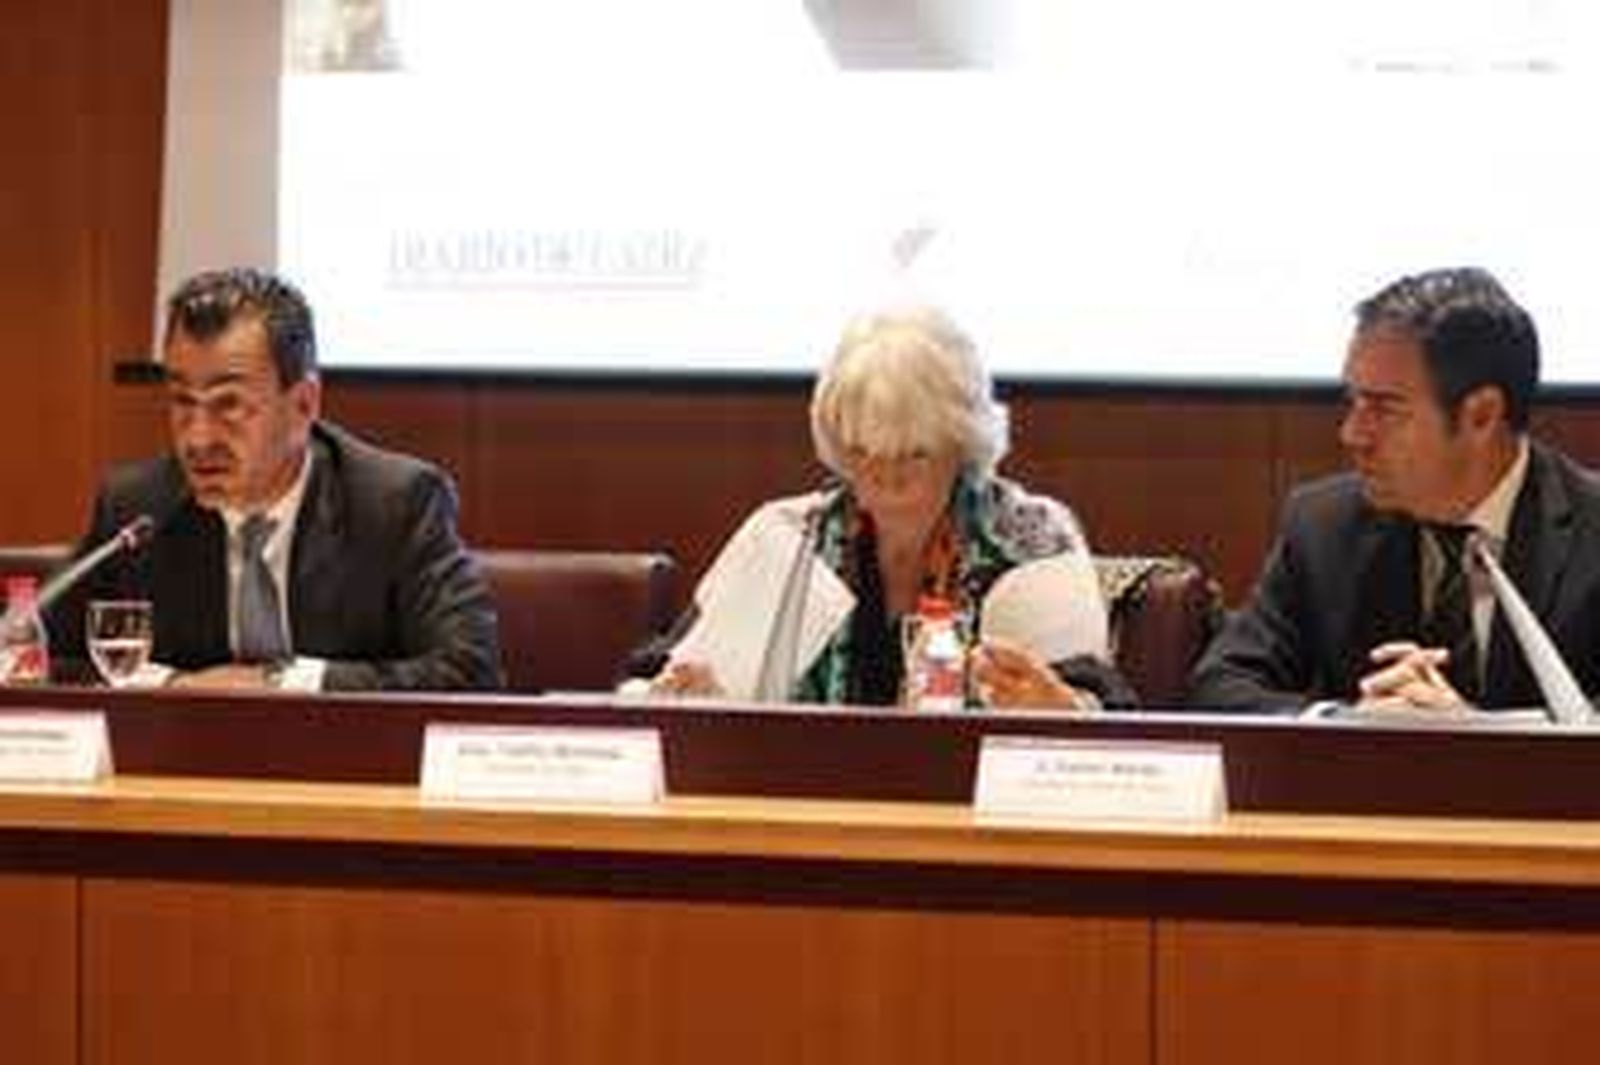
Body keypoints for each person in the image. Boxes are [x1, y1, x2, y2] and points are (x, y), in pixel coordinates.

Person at [642, 307, 1131, 709]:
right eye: (862, 450)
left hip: (972, 815)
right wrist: (673, 696)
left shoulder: (1031, 539)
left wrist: (1063, 710)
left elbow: (1097, 712)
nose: (885, 477)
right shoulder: (788, 535)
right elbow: (652, 678)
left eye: (912, 452)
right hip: (799, 810)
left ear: (958, 442)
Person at [47, 267, 501, 691]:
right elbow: (41, 656)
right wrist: (171, 686)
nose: (198, 438)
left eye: (229, 405)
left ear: (304, 404)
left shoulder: (393, 503)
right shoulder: (138, 508)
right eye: (183, 402)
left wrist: (279, 682)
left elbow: (471, 669)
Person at [1191, 266, 1600, 713]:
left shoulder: (1590, 529)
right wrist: (1342, 722)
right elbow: (1221, 683)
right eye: (1354, 402)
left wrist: (1480, 736)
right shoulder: (1323, 524)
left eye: (1384, 409)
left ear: (1481, 415)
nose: (1352, 434)